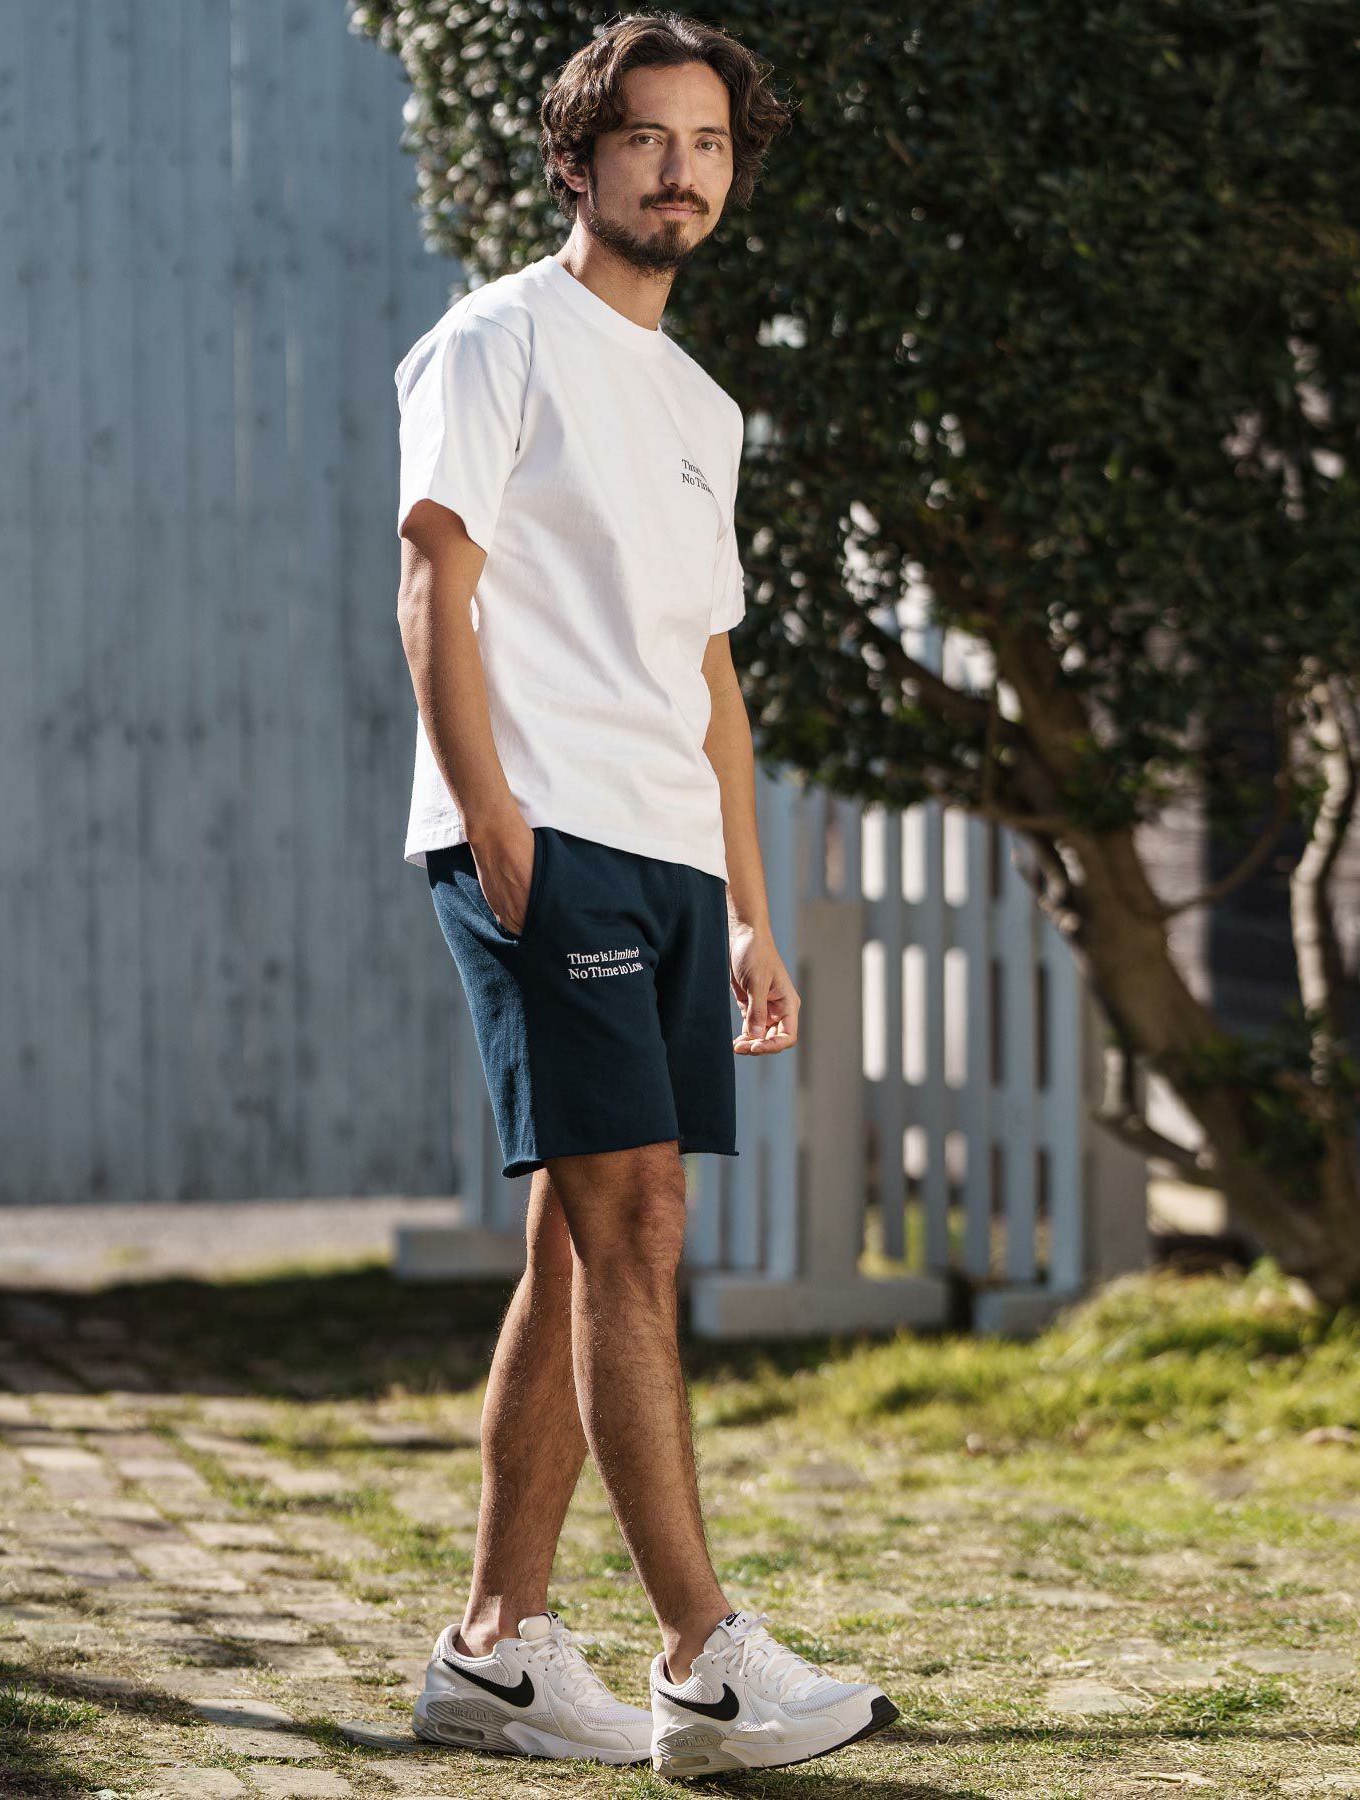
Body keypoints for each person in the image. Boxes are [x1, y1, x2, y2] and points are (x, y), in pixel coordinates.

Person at [394, 12, 899, 1777]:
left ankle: (496, 1651)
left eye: (708, 143)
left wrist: (753, 907)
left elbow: (709, 678)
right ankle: (704, 1659)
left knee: (576, 1238)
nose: (681, 170)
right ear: (577, 159)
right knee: (640, 1225)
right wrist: (491, 818)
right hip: (546, 835)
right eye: (647, 139)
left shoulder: (703, 408)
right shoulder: (494, 339)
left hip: (671, 852)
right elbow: (433, 575)